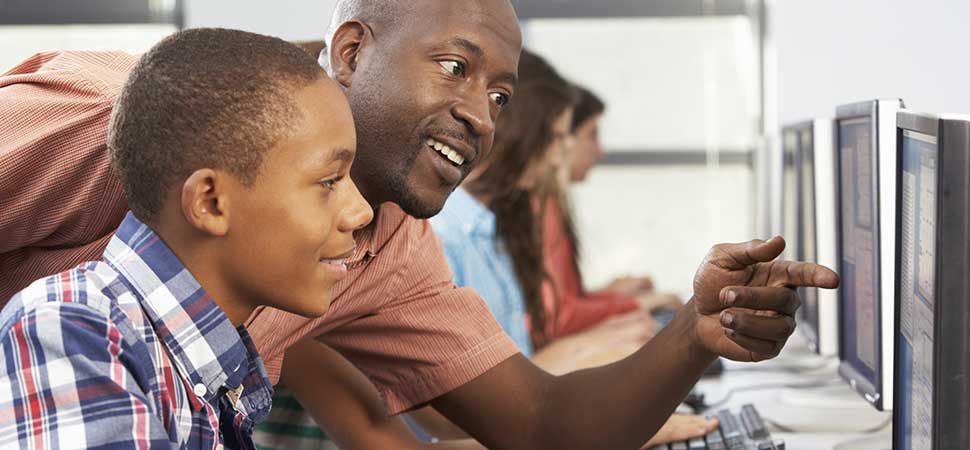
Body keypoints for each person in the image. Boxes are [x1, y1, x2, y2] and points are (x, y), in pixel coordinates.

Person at [0, 1, 838, 448]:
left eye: (502, 97)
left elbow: (543, 425)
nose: (481, 116)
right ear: (355, 51)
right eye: (453, 66)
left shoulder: (387, 244)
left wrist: (694, 333)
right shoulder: (122, 117)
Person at [0, 28, 371, 448]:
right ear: (210, 202)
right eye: (329, 181)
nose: (361, 211)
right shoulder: (75, 334)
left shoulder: (217, 375)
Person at [423, 48, 716, 446]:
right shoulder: (441, 239)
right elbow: (467, 414)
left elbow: (513, 378)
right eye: (559, 138)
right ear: (524, 133)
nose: (562, 156)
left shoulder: (491, 232)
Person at [539, 85, 680, 339]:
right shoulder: (540, 208)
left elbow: (563, 303)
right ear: (562, 140)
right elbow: (559, 318)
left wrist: (611, 294)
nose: (600, 150)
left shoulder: (551, 205)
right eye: (591, 135)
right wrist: (636, 305)